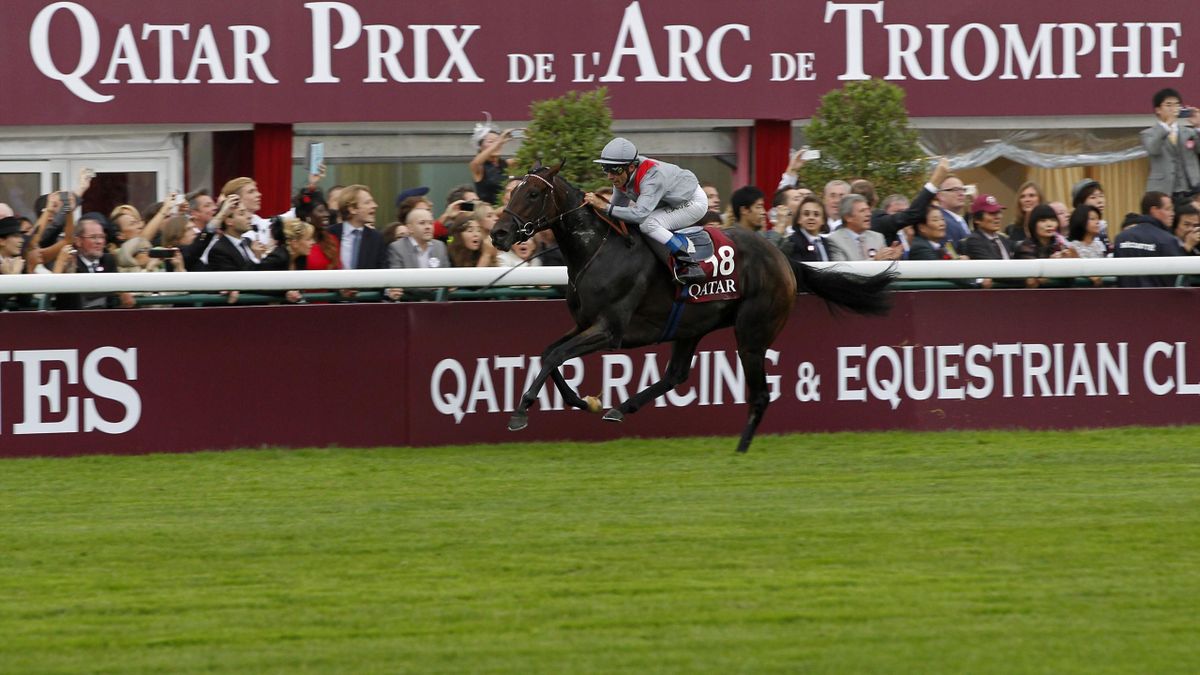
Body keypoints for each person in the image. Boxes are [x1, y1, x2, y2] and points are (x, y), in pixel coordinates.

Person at [583, 137, 709, 284]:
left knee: (647, 224)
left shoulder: (652, 178)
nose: (610, 176)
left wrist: (604, 206)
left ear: (631, 167)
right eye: (606, 168)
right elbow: (616, 212)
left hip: (692, 202)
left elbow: (639, 215)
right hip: (670, 201)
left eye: (614, 170)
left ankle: (689, 264)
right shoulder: (623, 177)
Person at [53, 217, 135, 310]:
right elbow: (52, 288)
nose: (99, 242)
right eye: (93, 237)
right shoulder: (70, 261)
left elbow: (118, 288)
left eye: (101, 237)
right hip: (74, 319)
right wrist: (60, 263)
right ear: (78, 241)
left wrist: (123, 291)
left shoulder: (108, 260)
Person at [1113, 192, 1192, 287]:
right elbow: (1179, 278)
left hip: (1124, 300)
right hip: (1159, 300)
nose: (1172, 214)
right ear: (1154, 210)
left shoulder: (1122, 238)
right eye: (1168, 209)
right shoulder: (1167, 240)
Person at [1141, 88, 1200, 199]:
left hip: (1192, 188)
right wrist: (1167, 124)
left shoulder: (1189, 132)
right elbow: (1153, 149)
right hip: (1163, 191)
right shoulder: (1148, 133)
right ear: (1158, 109)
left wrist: (1198, 126)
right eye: (1168, 105)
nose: (1173, 109)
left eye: (1177, 104)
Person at [1016, 204, 1077, 288]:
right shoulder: (1026, 247)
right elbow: (1031, 282)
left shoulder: (1060, 244)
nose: (1049, 224)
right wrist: (1051, 263)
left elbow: (1072, 277)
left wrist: (1070, 258)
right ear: (1034, 224)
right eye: (1043, 220)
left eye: (1052, 220)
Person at [826, 194, 902, 261]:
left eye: (868, 210)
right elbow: (841, 271)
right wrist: (874, 261)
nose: (868, 214)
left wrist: (892, 258)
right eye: (862, 211)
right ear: (848, 217)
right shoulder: (835, 240)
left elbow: (887, 270)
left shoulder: (878, 237)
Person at [469, 119, 519, 205]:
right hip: (487, 212)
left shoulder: (506, 164)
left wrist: (531, 139)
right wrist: (499, 142)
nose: (496, 145)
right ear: (480, 147)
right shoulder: (479, 167)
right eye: (491, 142)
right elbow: (476, 162)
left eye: (497, 141)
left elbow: (528, 158)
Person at [780, 196, 830, 263]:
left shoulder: (826, 243)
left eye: (816, 214)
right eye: (806, 214)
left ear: (823, 220)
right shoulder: (792, 243)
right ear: (799, 219)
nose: (811, 217)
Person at [936, 174, 972, 247]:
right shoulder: (941, 222)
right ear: (940, 196)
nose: (961, 194)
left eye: (963, 189)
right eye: (955, 190)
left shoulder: (958, 219)